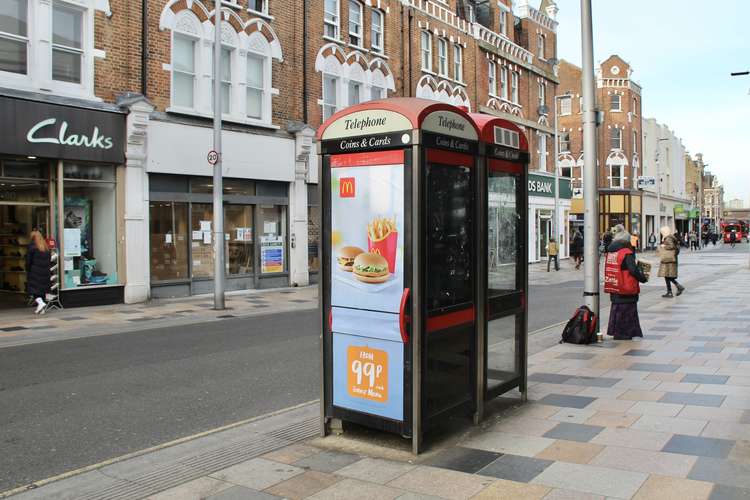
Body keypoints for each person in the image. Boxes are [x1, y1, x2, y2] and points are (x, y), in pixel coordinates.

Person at [604, 224, 648, 340]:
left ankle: (616, 331)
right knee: (627, 311)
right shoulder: (626, 252)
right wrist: (643, 278)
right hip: (626, 288)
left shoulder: (611, 251)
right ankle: (625, 333)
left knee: (616, 309)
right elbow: (633, 270)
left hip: (614, 285)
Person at [26, 230, 52, 314]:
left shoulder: (32, 247)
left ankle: (40, 303)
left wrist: (28, 269)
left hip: (35, 272)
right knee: (42, 291)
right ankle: (41, 309)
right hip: (45, 272)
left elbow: (28, 261)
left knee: (34, 291)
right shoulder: (46, 248)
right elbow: (49, 261)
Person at [658, 226, 685, 298]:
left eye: (662, 232)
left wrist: (664, 246)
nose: (661, 233)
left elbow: (671, 246)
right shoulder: (671, 237)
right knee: (667, 276)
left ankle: (677, 287)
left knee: (667, 276)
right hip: (670, 259)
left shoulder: (668, 238)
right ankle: (670, 291)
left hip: (668, 260)